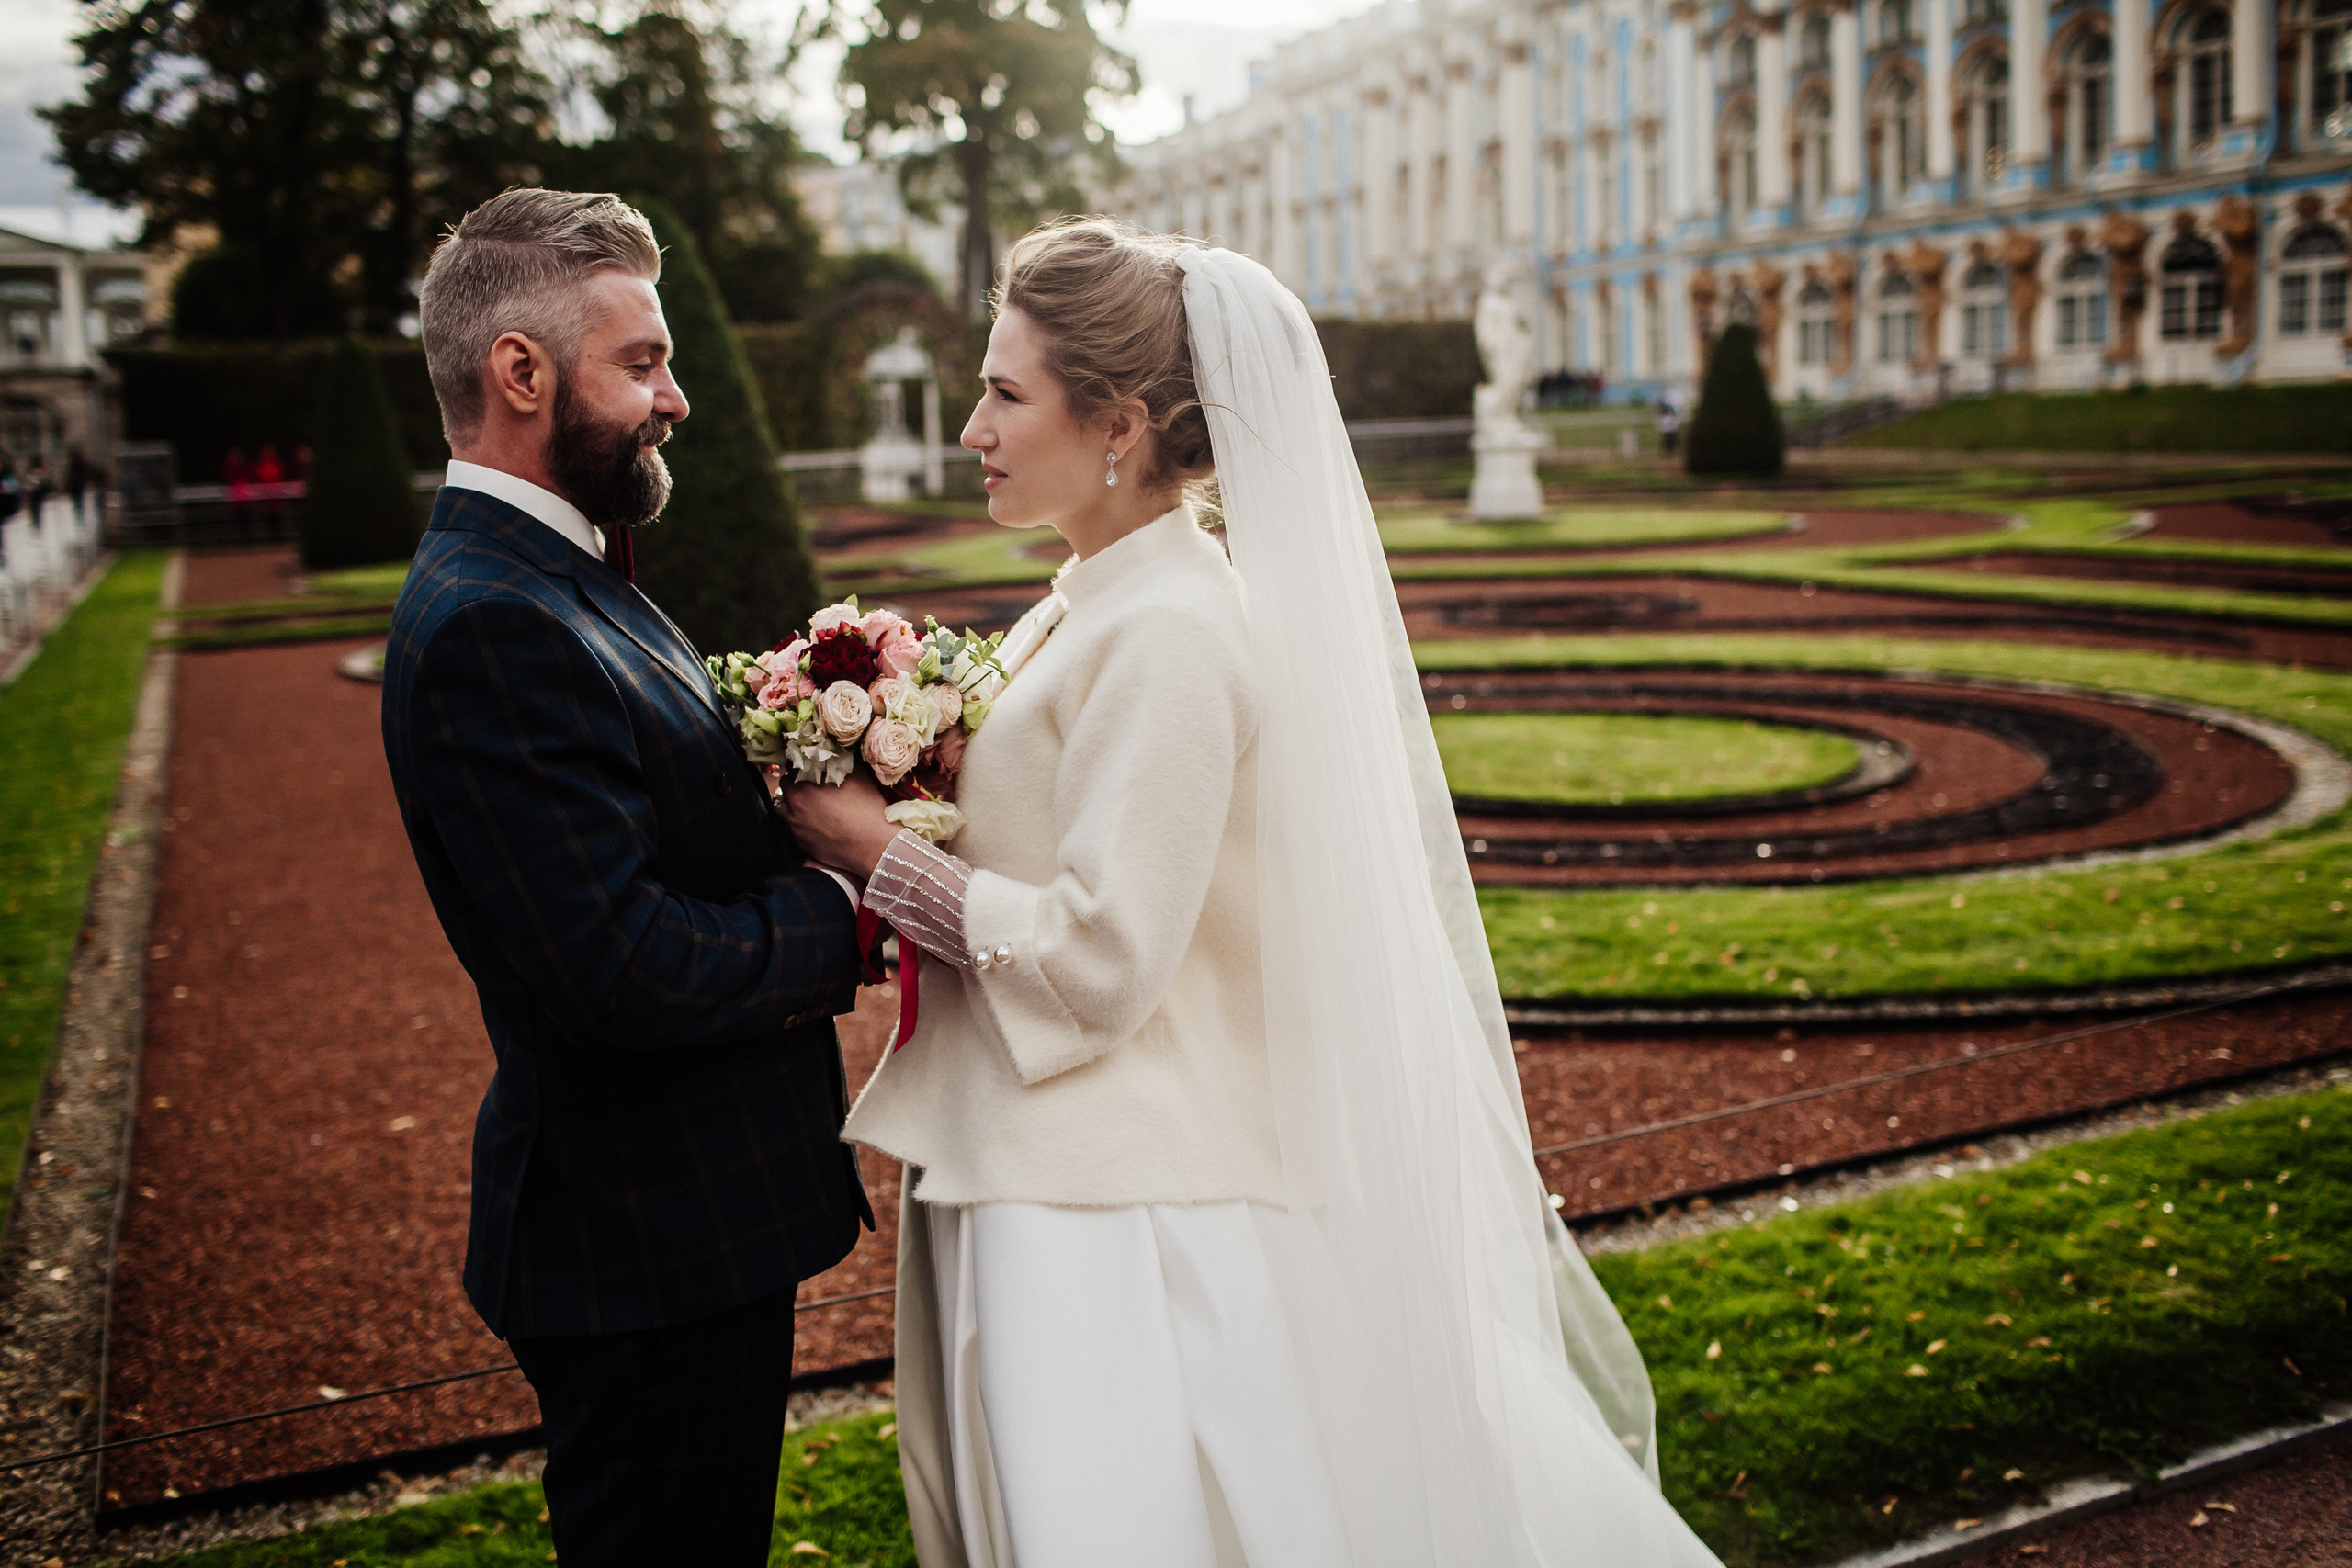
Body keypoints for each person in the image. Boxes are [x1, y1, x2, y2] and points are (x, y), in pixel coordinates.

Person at [786, 218, 1724, 1568]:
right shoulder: (1087, 602)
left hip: (1115, 1216)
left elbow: (1106, 962)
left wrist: (878, 852)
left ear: (1116, 423)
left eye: (1003, 393)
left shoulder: (1169, 628)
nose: (973, 428)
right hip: (1046, 1170)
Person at [379, 189, 875, 1567]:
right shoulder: (494, 620)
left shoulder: (562, 567)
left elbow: (662, 828)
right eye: (642, 362)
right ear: (520, 373)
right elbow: (626, 967)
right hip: (640, 1245)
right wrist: (854, 908)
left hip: (681, 1228)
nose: (677, 398)